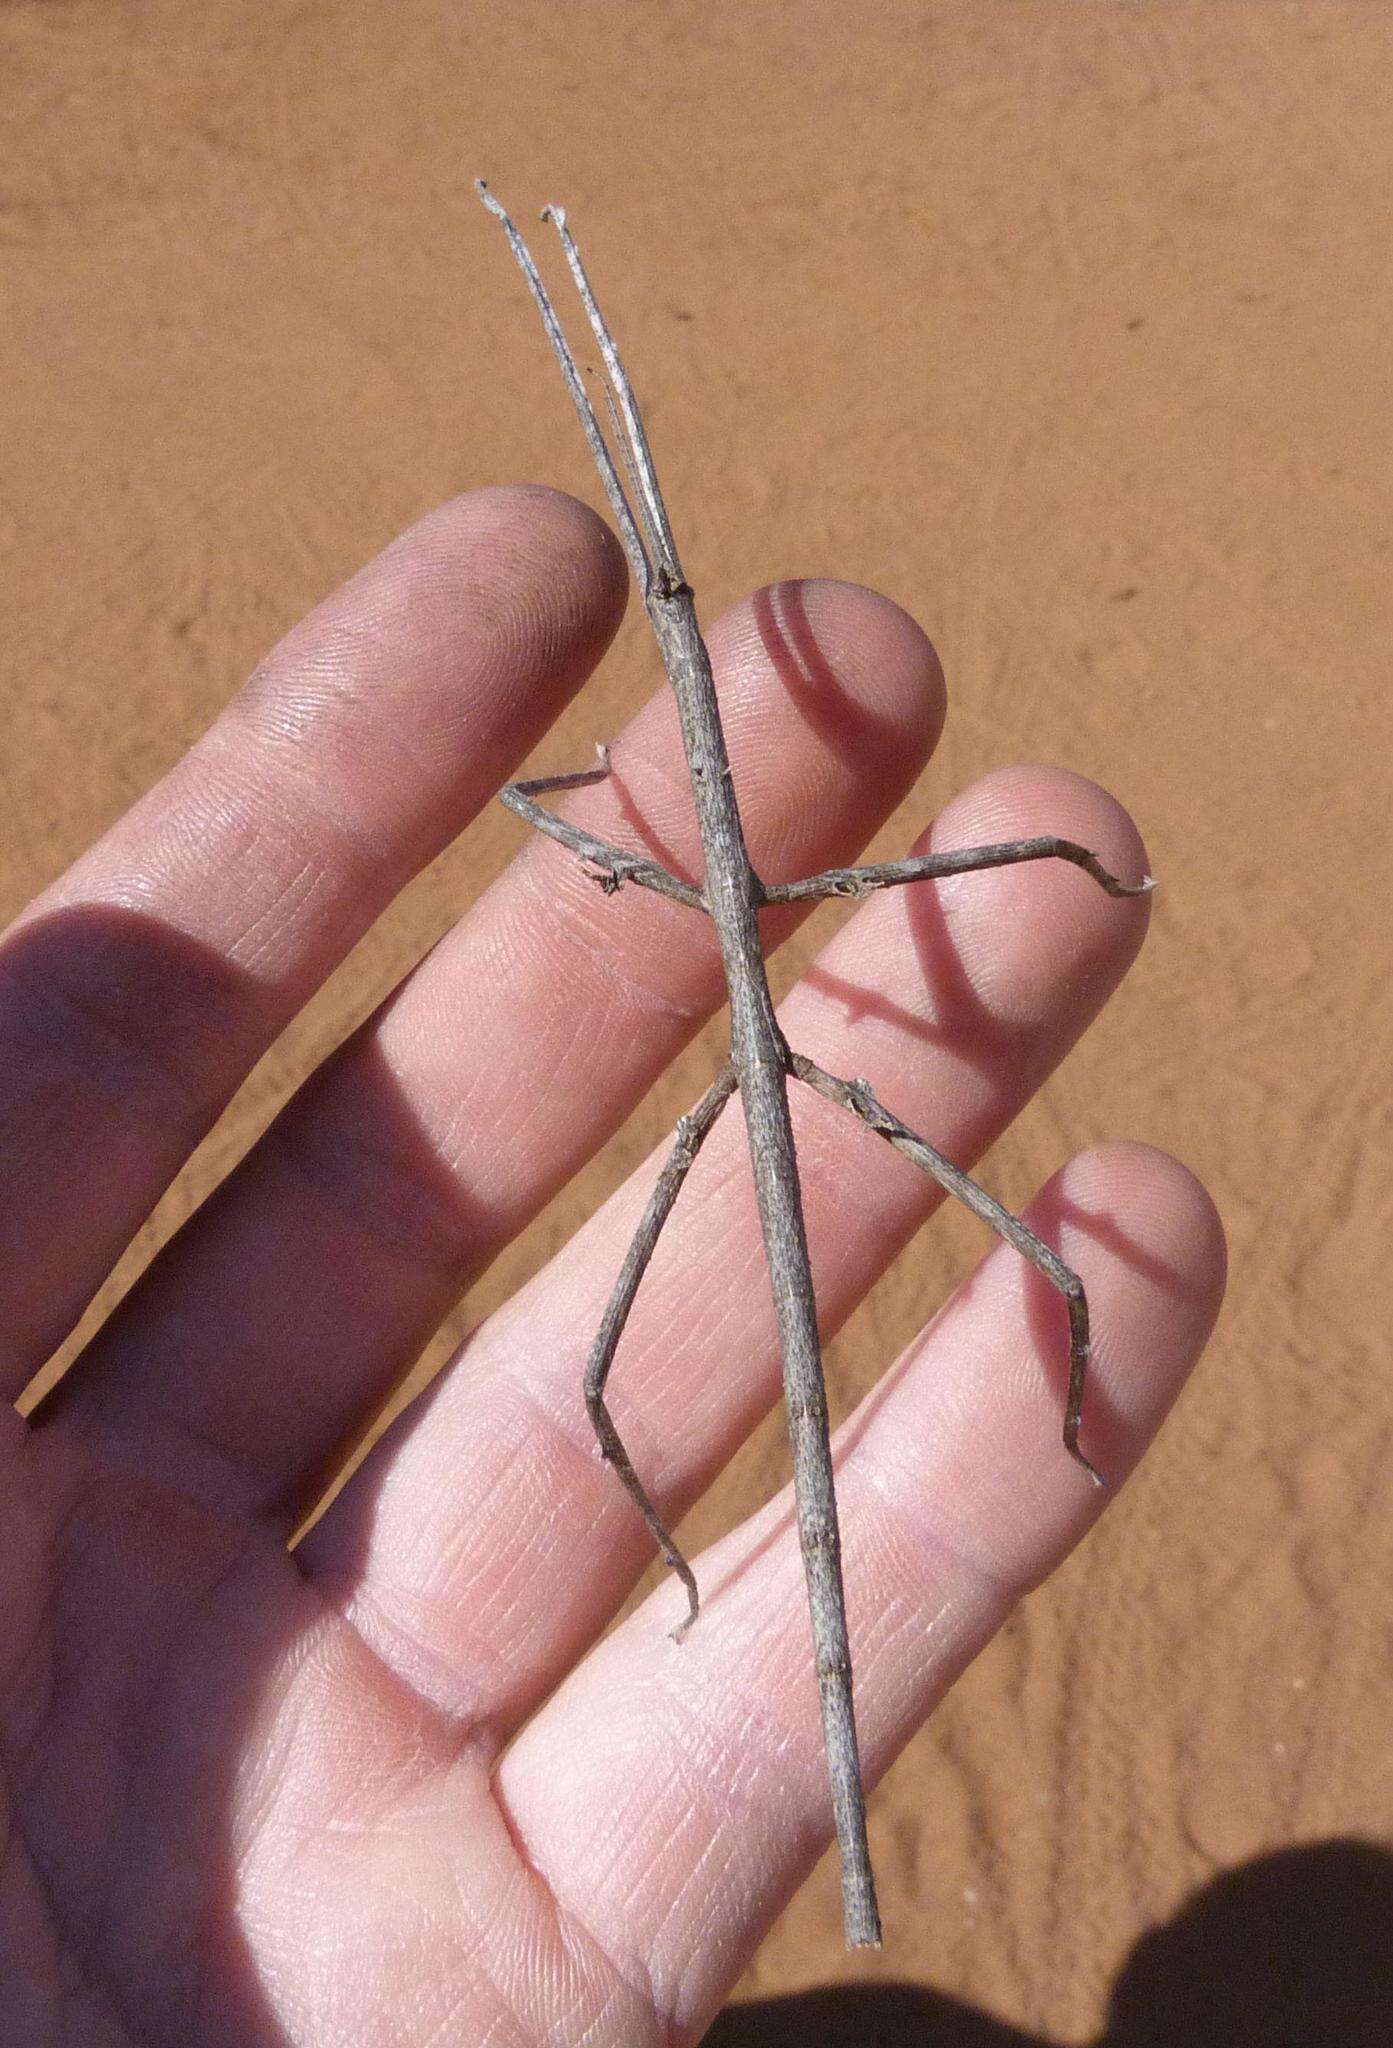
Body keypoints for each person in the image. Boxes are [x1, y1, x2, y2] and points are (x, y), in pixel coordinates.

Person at [0, 486, 1224, 2045]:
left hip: (784, 1093)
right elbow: (536, 802)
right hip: (764, 1086)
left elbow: (529, 804)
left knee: (975, 1278)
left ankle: (818, 1552)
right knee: (608, 1369)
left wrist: (577, 800)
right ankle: (743, 1592)